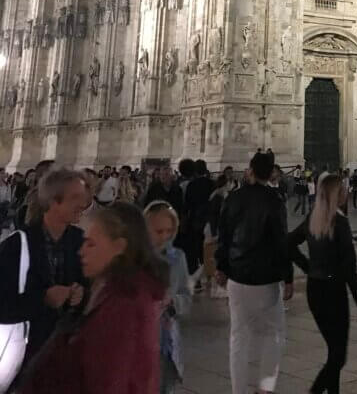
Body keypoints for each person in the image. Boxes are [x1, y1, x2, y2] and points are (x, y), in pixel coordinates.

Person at [19, 201, 170, 394]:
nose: (81, 251)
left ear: (118, 247)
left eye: (91, 244)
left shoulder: (125, 304)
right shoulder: (111, 291)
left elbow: (109, 379)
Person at [215, 151, 294, 394]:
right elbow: (281, 241)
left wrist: (221, 266)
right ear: (271, 173)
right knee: (274, 333)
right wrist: (288, 276)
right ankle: (265, 387)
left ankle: (238, 391)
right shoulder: (275, 199)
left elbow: (224, 235)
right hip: (265, 280)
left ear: (249, 169)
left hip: (237, 277)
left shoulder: (234, 198)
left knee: (238, 336)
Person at [0, 167, 87, 382]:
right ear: (53, 201)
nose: (83, 204)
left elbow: (90, 286)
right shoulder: (16, 245)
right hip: (26, 357)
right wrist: (43, 299)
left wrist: (81, 293)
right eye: (75, 197)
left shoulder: (81, 241)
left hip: (65, 354)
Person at [286, 174, 357, 393]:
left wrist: (308, 267)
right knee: (338, 356)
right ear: (336, 195)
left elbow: (288, 244)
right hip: (333, 291)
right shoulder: (339, 222)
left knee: (334, 351)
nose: (346, 193)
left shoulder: (313, 218)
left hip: (315, 290)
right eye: (342, 190)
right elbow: (349, 268)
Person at [145, 201, 192, 393]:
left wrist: (172, 301)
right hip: (141, 337)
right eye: (158, 231)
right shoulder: (135, 258)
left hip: (166, 338)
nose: (164, 237)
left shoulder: (177, 257)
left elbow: (185, 296)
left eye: (169, 231)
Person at [184, 159, 214, 287]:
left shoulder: (192, 185)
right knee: (209, 249)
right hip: (209, 221)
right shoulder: (212, 184)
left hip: (195, 221)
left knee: (196, 250)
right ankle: (209, 276)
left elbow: (187, 204)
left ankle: (197, 279)